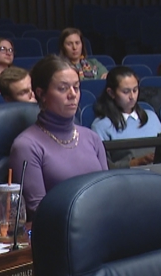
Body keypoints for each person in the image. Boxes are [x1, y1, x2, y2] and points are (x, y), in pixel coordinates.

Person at [9, 55, 108, 214]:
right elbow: (38, 210)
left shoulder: (92, 138)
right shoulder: (27, 145)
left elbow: (108, 193)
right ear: (41, 94)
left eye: (76, 87)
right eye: (63, 88)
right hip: (61, 226)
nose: (72, 94)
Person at [91, 66, 161, 168]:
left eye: (135, 90)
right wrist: (136, 163)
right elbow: (104, 166)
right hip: (125, 176)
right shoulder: (101, 125)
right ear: (111, 93)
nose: (132, 96)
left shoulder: (151, 116)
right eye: (126, 92)